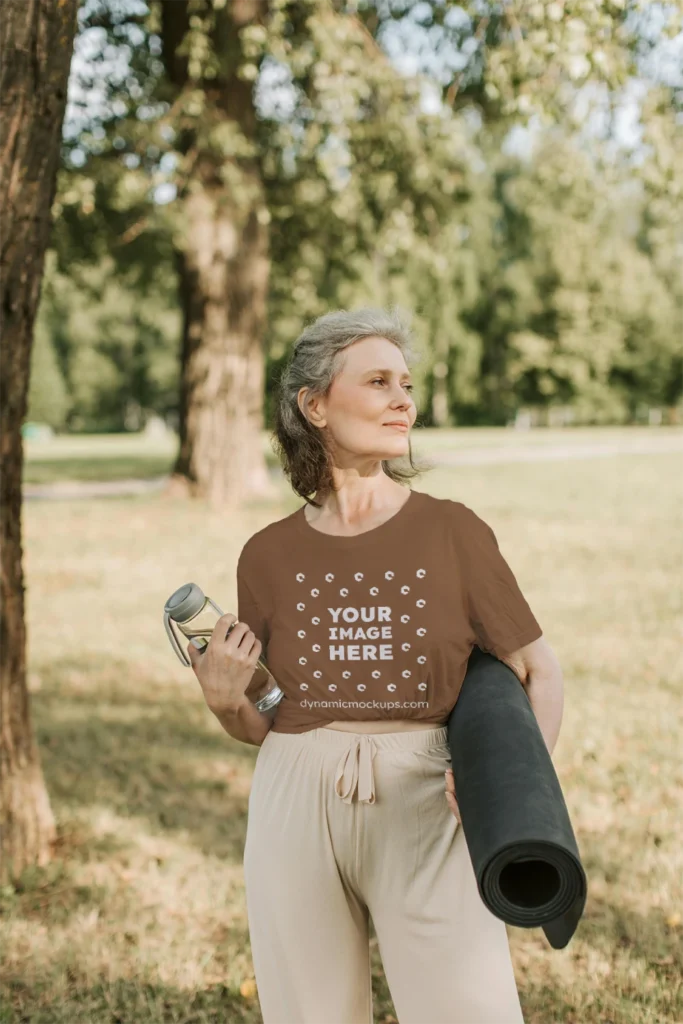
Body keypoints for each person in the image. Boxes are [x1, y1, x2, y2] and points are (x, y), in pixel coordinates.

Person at [188, 307, 558, 1023]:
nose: (402, 401)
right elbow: (263, 720)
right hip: (293, 792)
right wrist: (226, 699)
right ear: (315, 404)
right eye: (379, 381)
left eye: (406, 384)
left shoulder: (452, 530)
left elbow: (537, 668)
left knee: (467, 1009)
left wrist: (513, 795)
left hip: (426, 791)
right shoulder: (265, 554)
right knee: (307, 1011)